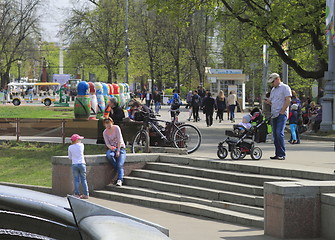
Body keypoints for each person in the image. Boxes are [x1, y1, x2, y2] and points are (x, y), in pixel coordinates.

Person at [265, 73, 292, 160]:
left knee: (279, 133)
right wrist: (268, 102)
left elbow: (288, 100)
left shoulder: (285, 87)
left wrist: (282, 111)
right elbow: (272, 101)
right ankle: (277, 153)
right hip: (274, 114)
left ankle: (282, 154)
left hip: (281, 114)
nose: (272, 84)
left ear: (277, 79)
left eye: (273, 81)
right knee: (275, 134)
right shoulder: (273, 90)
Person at [103, 117, 126, 186]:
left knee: (120, 164)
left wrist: (118, 150)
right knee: (109, 155)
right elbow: (107, 143)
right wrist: (111, 148)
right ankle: (119, 170)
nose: (108, 126)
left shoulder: (116, 128)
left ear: (112, 123)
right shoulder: (105, 132)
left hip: (120, 147)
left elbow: (119, 139)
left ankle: (120, 179)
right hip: (112, 148)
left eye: (109, 124)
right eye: (106, 124)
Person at [68, 134, 89, 199]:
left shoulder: (70, 147)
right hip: (82, 163)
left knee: (76, 179)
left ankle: (76, 194)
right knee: (83, 179)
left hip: (74, 164)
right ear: (77, 140)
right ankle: (86, 194)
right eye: (79, 139)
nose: (80, 140)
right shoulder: (81, 145)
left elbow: (70, 157)